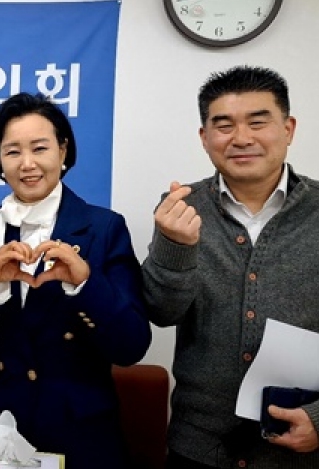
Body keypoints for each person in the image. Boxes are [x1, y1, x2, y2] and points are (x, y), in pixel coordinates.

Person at [0, 92, 152, 469]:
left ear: (63, 150)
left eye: (40, 148)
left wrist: (85, 284)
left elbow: (131, 346)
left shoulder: (104, 228)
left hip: (78, 435)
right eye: (12, 152)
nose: (28, 164)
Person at [142, 65, 319, 468]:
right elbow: (160, 312)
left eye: (258, 122)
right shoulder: (181, 208)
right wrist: (176, 247)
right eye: (224, 126)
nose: (241, 138)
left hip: (302, 452)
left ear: (288, 129)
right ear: (204, 138)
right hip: (198, 447)